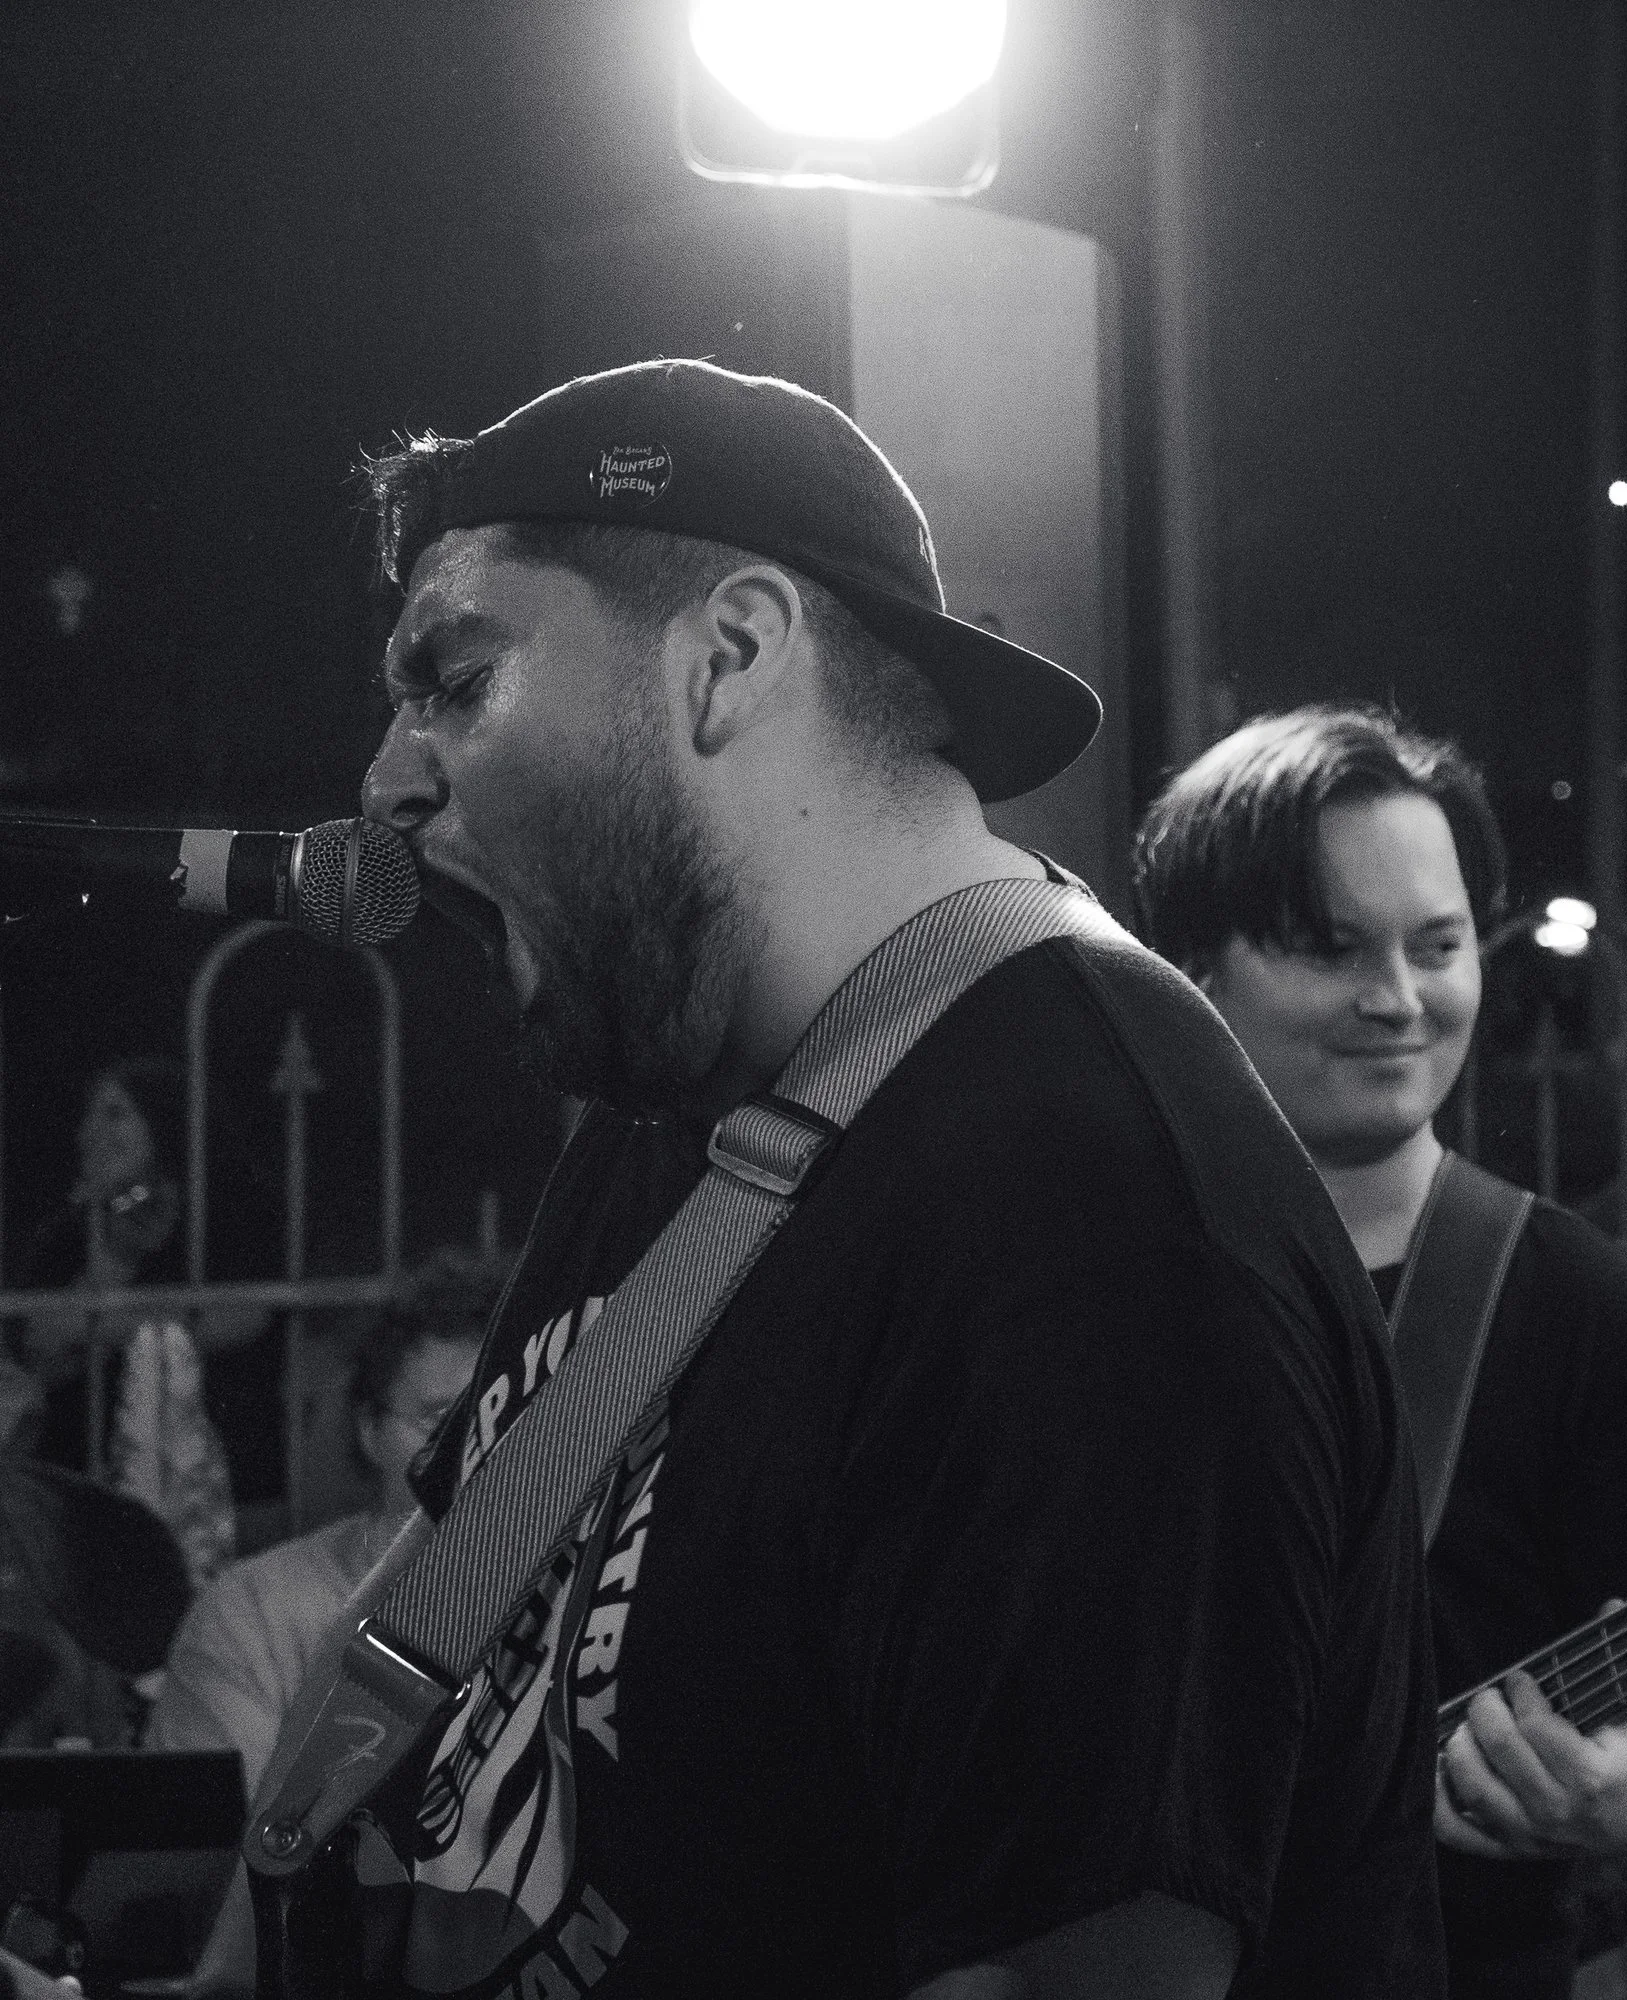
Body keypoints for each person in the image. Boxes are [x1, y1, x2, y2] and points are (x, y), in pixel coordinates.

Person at [327, 359, 1440, 2000]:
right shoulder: (686, 1117)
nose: (386, 785)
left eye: (453, 675)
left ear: (730, 654)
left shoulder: (1094, 1227)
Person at [1135, 707, 1627, 2000]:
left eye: (1439, 945)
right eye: (1332, 948)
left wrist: (1615, 1787)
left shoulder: (1585, 1308)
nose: (1400, 1000)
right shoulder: (1089, 1288)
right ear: (1191, 973)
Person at [147, 1245, 500, 1791]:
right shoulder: (256, 1618)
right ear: (370, 1432)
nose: (477, 1447)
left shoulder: (601, 1600)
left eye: (511, 1413)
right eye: (442, 1420)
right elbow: (237, 1857)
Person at [10, 1058, 281, 1519]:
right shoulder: (66, 1234)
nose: (90, 1131)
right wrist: (111, 1257)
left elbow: (241, 1319)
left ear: (163, 1121)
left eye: (115, 1114)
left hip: (225, 1479)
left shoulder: (231, 1210)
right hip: (84, 1483)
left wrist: (96, 1324)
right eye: (89, 1116)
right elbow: (39, 1355)